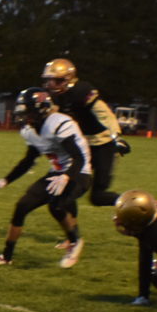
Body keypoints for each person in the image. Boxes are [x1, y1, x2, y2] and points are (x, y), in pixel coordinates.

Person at [0, 87, 90, 269]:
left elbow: (79, 158)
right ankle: (7, 256)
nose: (26, 117)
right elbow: (28, 160)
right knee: (22, 206)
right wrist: (5, 180)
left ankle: (75, 242)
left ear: (42, 109)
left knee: (56, 205)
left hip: (79, 172)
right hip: (56, 173)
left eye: (29, 113)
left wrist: (66, 176)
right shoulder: (30, 130)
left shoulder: (58, 123)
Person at [42, 58, 128, 206]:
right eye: (49, 80)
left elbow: (105, 114)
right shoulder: (55, 97)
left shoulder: (82, 91)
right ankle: (71, 227)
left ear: (67, 80)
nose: (51, 85)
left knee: (98, 197)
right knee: (66, 190)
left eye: (56, 81)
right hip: (82, 147)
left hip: (102, 144)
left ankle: (133, 203)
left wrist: (116, 137)